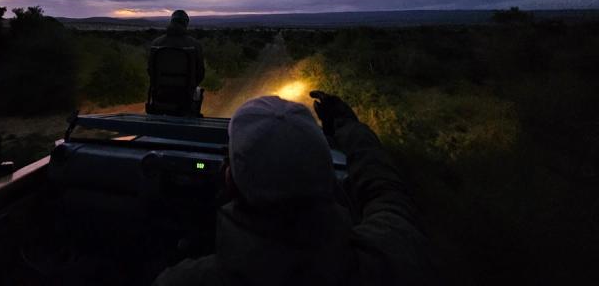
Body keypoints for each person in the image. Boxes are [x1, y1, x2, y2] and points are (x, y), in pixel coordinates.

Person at [152, 92, 434, 285]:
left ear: (229, 181)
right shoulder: (389, 259)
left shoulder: (185, 280)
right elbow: (386, 190)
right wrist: (349, 127)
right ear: (329, 180)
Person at [148, 9, 205, 86]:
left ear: (171, 22)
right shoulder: (195, 45)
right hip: (186, 91)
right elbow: (200, 74)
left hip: (160, 90)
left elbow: (150, 71)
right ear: (186, 24)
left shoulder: (156, 43)